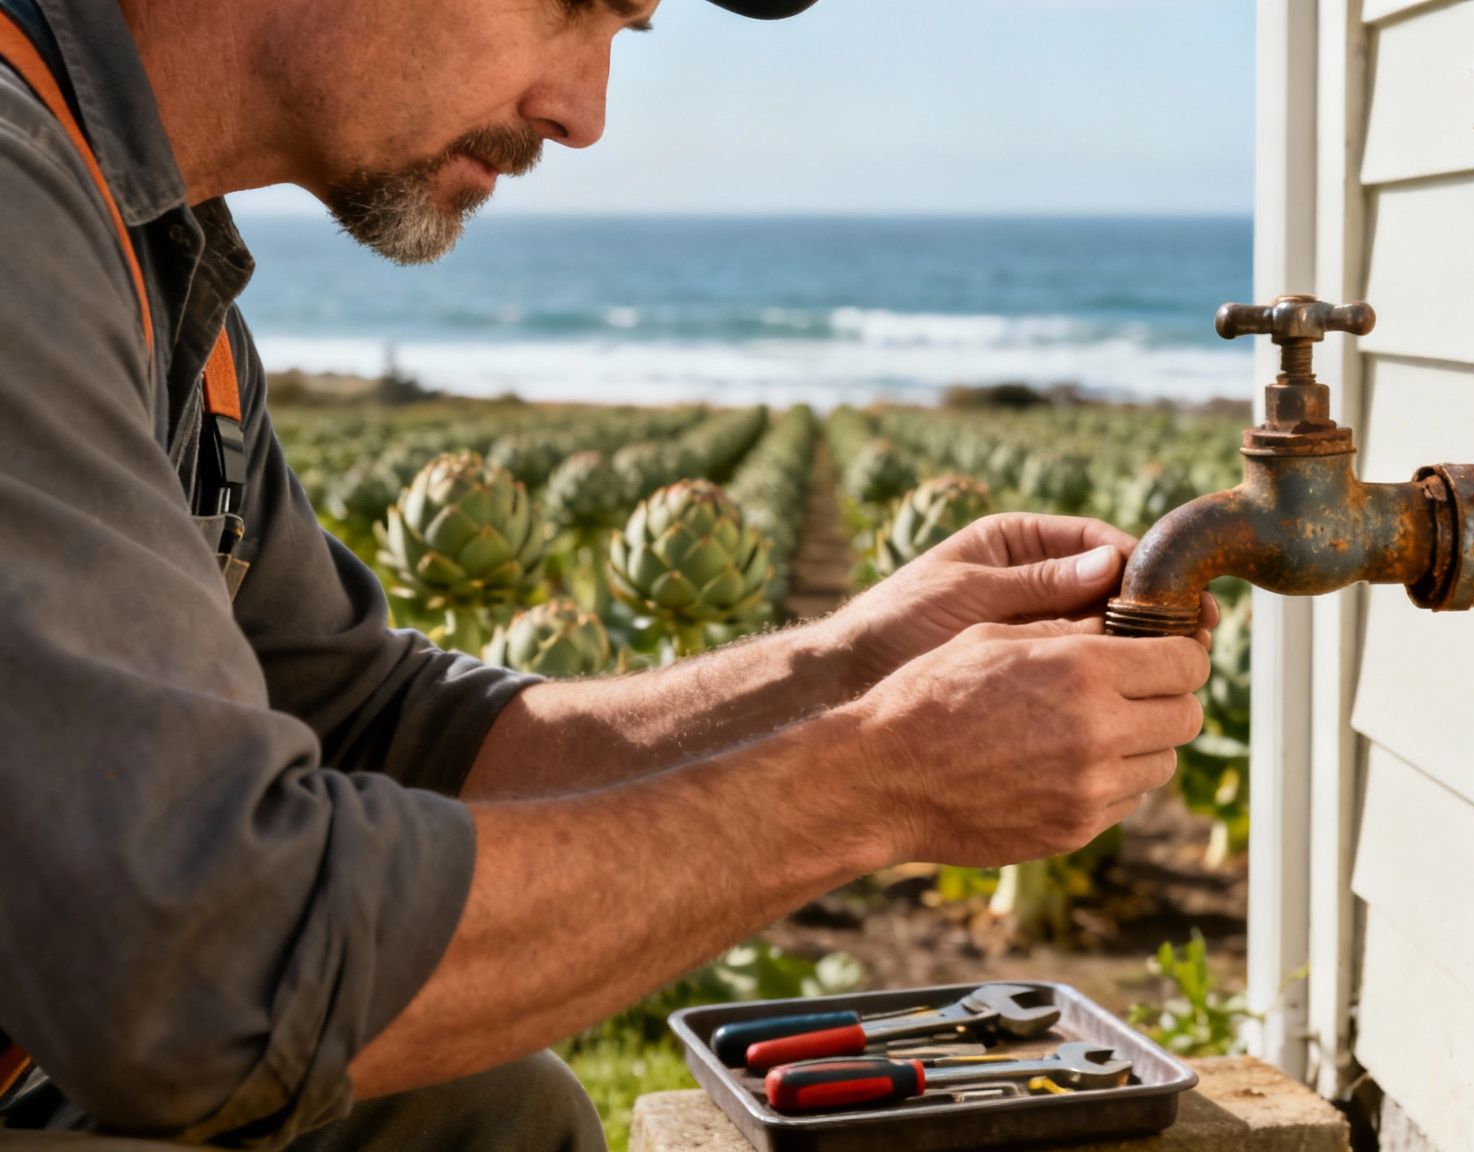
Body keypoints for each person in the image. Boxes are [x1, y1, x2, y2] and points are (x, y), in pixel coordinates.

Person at [0, 0, 1215, 1145]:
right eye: (570, 3)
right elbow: (198, 974)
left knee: (484, 1117)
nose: (584, 111)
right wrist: (870, 785)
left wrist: (849, 668)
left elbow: (372, 725)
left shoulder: (151, 255)